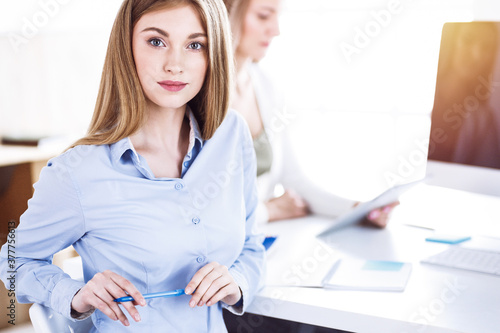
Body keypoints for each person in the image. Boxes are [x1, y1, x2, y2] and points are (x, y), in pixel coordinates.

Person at [0, 0, 264, 332]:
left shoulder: (231, 135)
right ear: (127, 48)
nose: (174, 65)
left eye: (195, 45)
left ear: (213, 57)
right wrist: (74, 294)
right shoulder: (79, 171)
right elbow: (12, 260)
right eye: (157, 41)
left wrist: (236, 280)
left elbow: (254, 244)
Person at [222, 0, 398, 331]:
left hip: (259, 254)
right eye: (263, 15)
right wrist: (268, 211)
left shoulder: (263, 84)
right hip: (225, 274)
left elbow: (295, 181)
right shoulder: (202, 93)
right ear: (228, 13)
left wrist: (357, 209)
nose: (276, 29)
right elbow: (200, 209)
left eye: (277, 16)